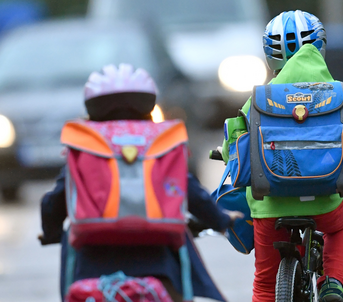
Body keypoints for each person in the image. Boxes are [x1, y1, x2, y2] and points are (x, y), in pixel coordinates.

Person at [40, 63, 243, 302]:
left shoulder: (86, 144)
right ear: (148, 105)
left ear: (92, 108)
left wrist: (52, 231)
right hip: (159, 267)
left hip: (91, 267)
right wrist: (220, 219)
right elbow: (188, 190)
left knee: (69, 240)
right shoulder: (161, 141)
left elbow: (55, 200)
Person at [221, 10, 343, 302]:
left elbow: (234, 140)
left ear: (271, 56)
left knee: (265, 285)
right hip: (324, 201)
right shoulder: (340, 95)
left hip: (270, 205)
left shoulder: (258, 98)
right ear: (320, 46)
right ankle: (333, 282)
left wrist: (224, 152)